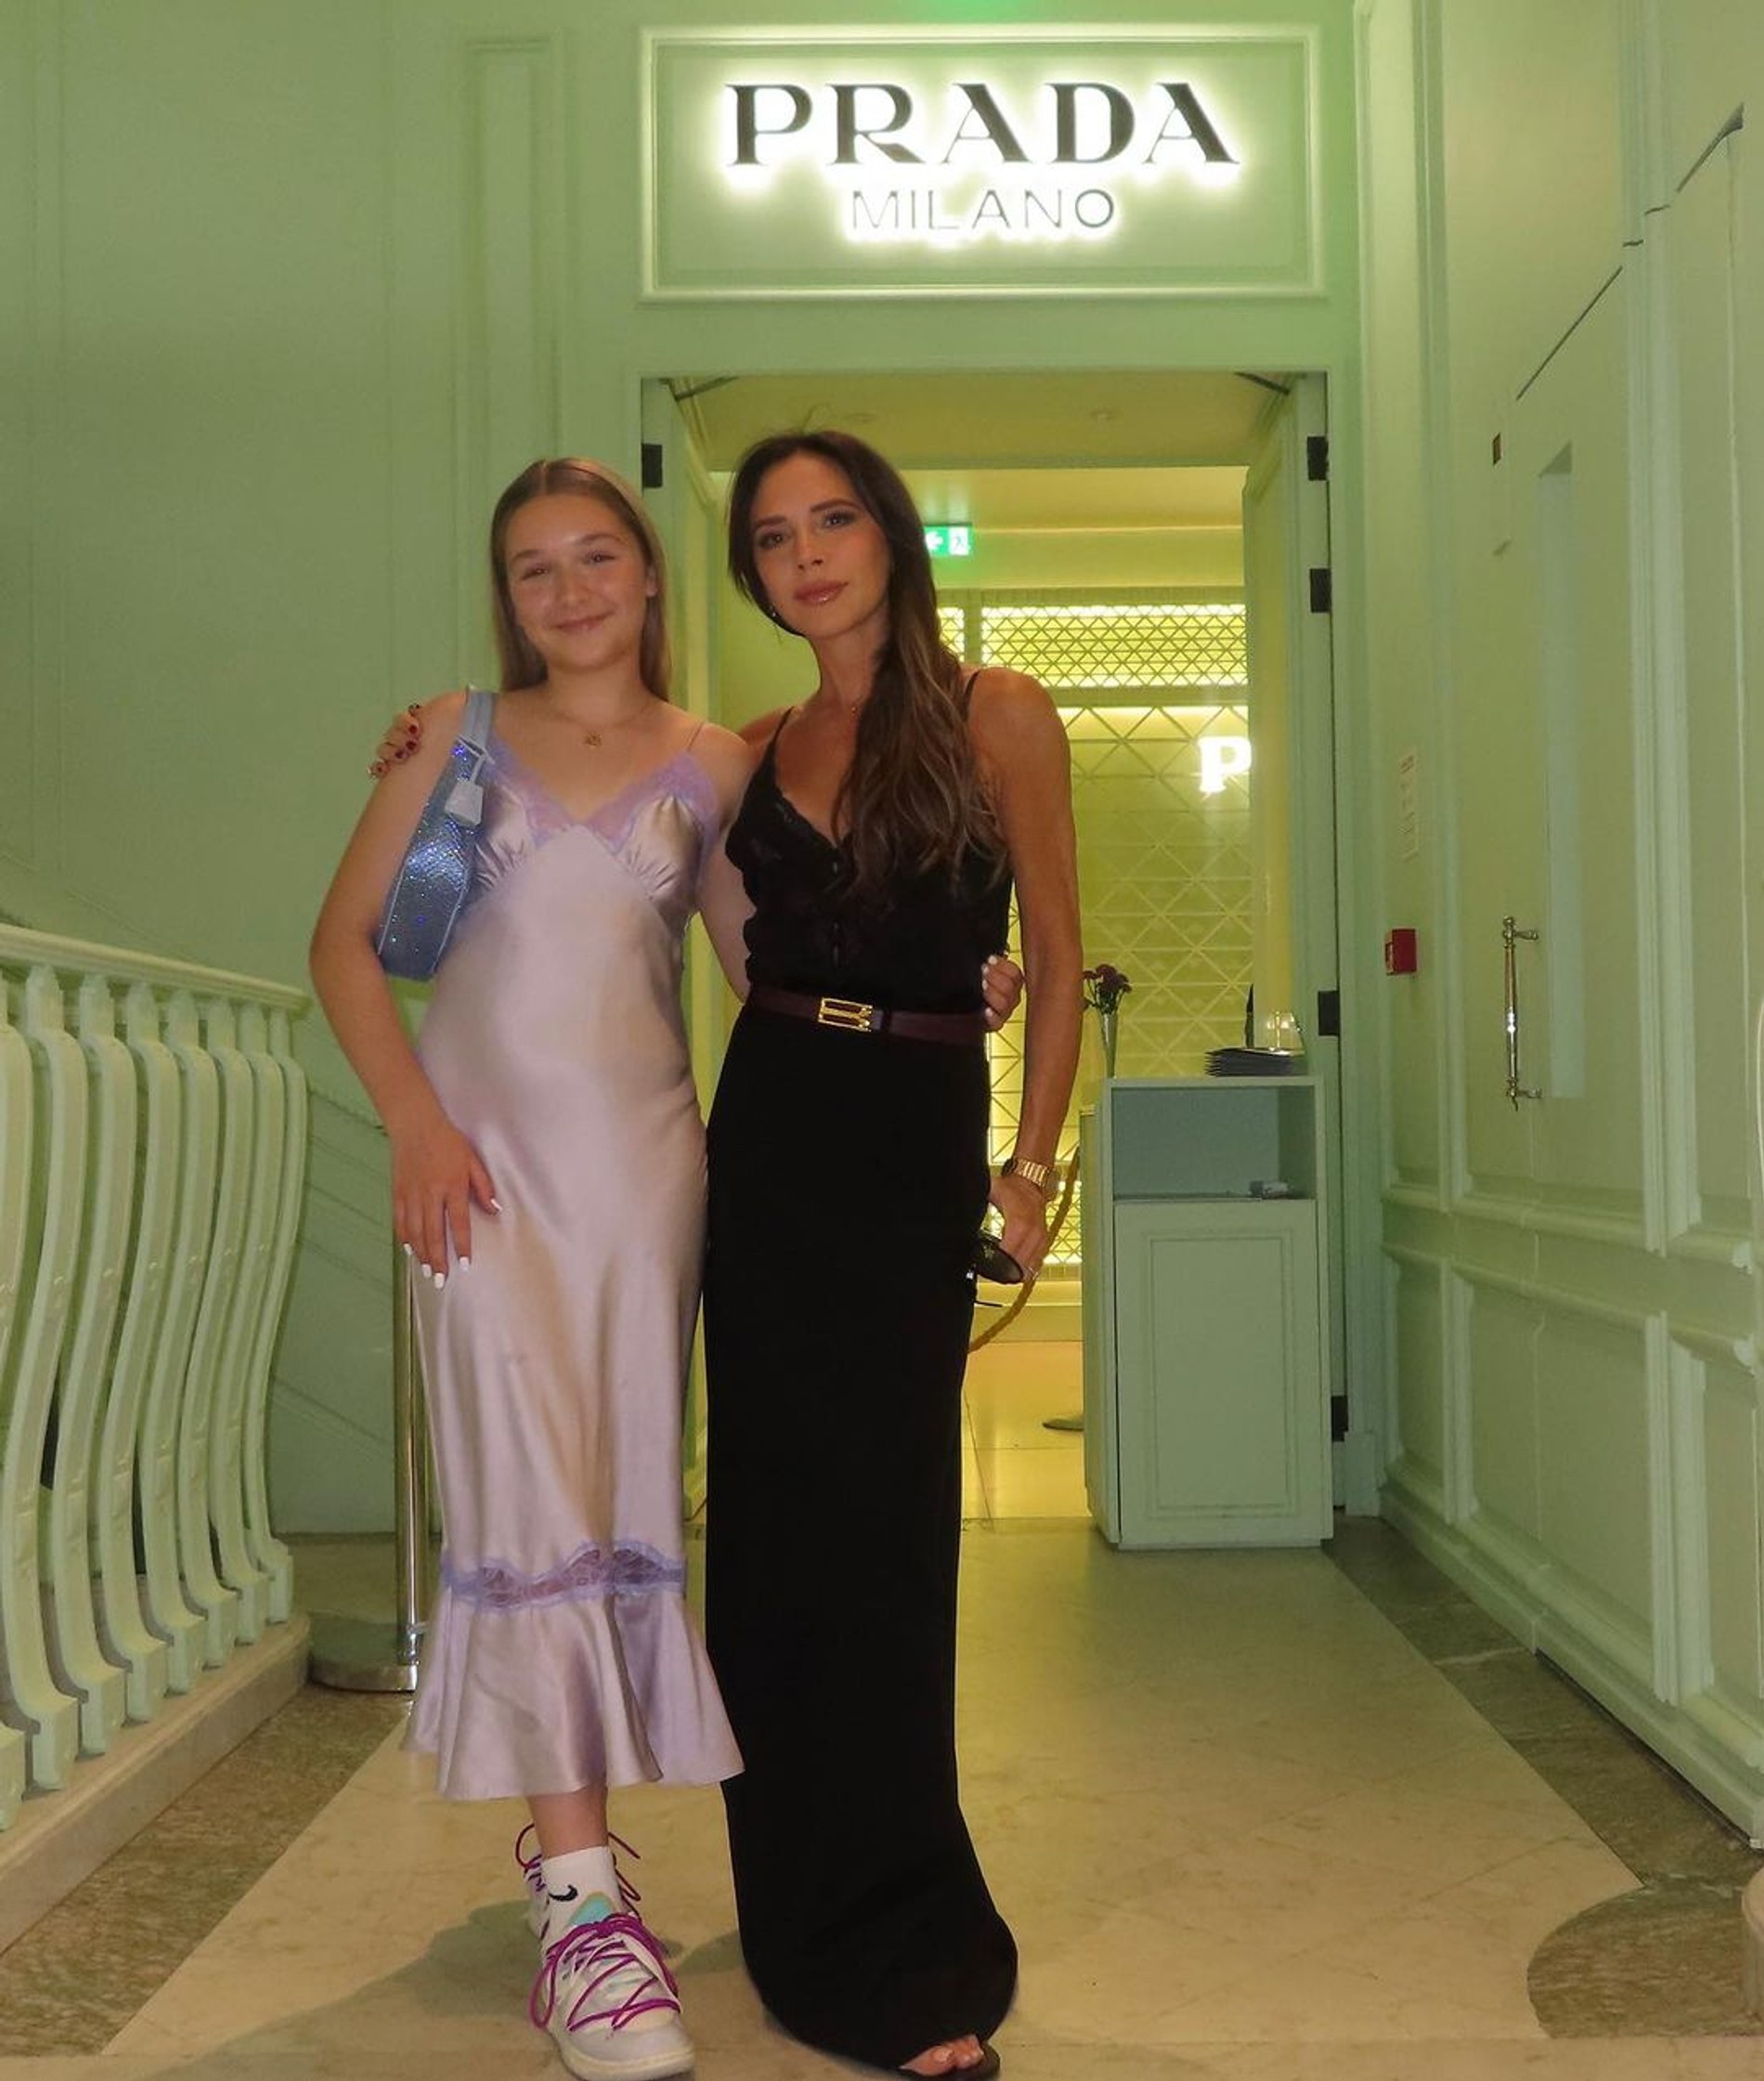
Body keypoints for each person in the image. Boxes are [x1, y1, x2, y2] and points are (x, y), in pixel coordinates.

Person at [310, 457, 754, 2081]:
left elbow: (781, 972)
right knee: (523, 1502)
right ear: (509, 594)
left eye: (596, 556)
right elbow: (346, 944)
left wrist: (945, 986)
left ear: (649, 574)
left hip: (644, 1184)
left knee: (621, 1495)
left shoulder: (718, 762)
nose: (569, 589)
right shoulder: (452, 735)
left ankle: (593, 1898)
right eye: (534, 566)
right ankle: (579, 1914)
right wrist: (416, 1124)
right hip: (477, 1181)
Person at [696, 429, 1083, 2080]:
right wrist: (441, 740)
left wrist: (1031, 1161)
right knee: (771, 1538)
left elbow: (1054, 947)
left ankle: (909, 1928)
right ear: (753, 574)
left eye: (833, 519)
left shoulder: (1000, 711)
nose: (807, 555)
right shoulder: (746, 748)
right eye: (774, 536)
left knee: (889, 1534)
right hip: (773, 1127)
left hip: (915, 1130)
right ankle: (794, 1909)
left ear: (892, 535)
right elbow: (720, 929)